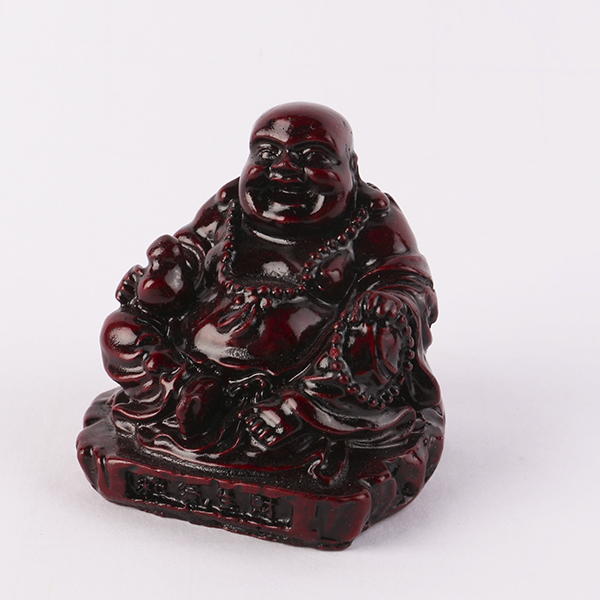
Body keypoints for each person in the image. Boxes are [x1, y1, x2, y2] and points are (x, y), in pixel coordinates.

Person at [100, 102, 442, 479]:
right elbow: (191, 250)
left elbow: (407, 282)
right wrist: (166, 271)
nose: (284, 169)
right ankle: (181, 390)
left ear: (352, 168)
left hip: (307, 372)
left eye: (312, 157)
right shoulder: (229, 207)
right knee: (120, 329)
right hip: (195, 358)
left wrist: (388, 302)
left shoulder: (372, 219)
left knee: (377, 332)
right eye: (266, 153)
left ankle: (296, 412)